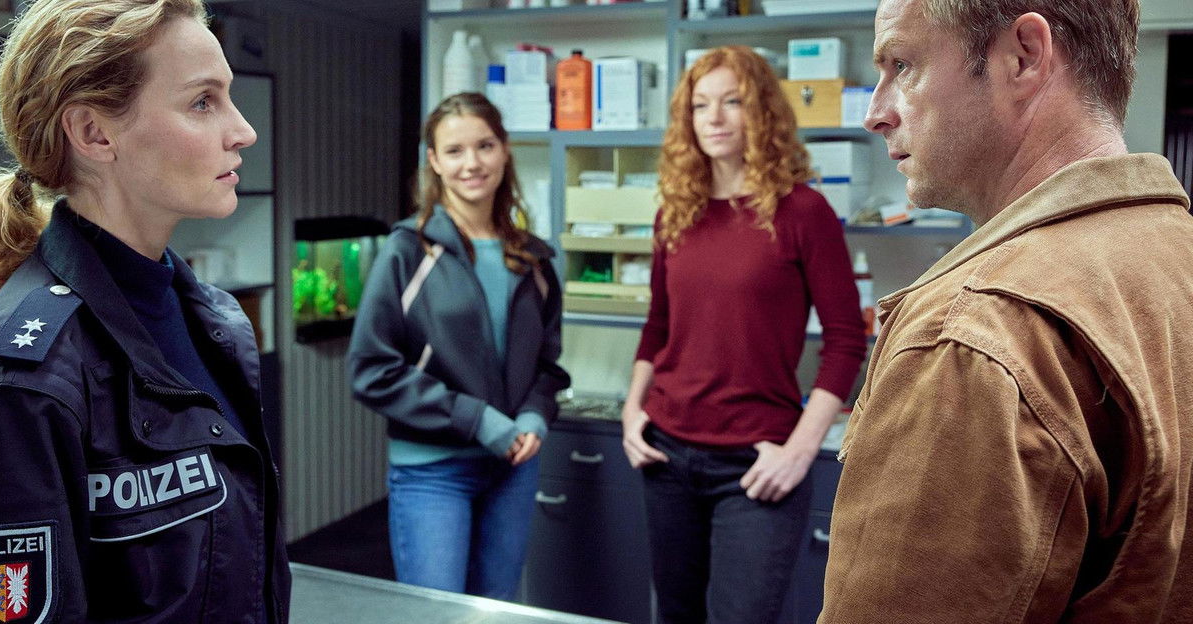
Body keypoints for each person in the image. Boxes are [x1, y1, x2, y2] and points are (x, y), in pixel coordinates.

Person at [820, 0, 1193, 622]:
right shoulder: (1172, 253)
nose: (876, 111)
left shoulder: (976, 335)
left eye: (902, 65)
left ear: (1023, 56)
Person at [0, 0, 290, 623]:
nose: (243, 131)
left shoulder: (213, 321)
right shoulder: (21, 383)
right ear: (93, 133)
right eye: (203, 102)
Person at [621, 45, 867, 624]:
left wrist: (801, 451)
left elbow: (845, 340)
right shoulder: (675, 212)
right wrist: (632, 411)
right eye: (701, 105)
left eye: (732, 101)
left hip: (756, 463)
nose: (714, 117)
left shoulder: (802, 211)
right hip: (666, 453)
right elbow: (658, 325)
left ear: (761, 111)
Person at [348, 92, 569, 600]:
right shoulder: (407, 251)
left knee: (496, 610)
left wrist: (535, 414)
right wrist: (478, 420)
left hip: (512, 467)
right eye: (454, 151)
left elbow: (548, 365)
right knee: (437, 612)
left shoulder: (533, 260)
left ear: (505, 150)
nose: (472, 163)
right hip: (432, 471)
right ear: (434, 161)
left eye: (485, 146)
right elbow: (371, 370)